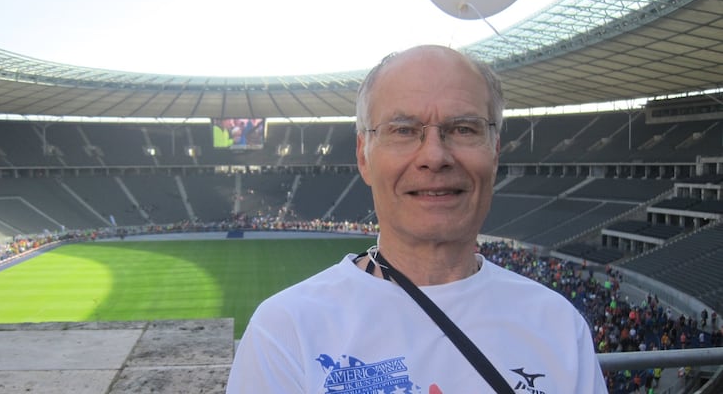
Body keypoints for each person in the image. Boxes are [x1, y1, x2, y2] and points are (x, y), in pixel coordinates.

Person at [226, 45, 606, 393]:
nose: (435, 156)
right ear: (363, 155)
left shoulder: (559, 326)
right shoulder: (285, 332)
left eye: (463, 129)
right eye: (404, 131)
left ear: (495, 151)